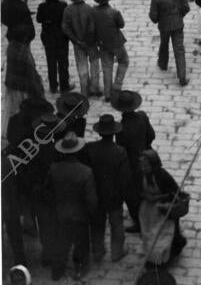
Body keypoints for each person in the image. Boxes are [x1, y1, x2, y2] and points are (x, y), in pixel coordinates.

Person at [46, 132, 97, 279]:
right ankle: (80, 269)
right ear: (77, 151)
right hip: (79, 216)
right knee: (81, 245)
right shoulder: (86, 172)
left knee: (61, 244)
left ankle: (57, 272)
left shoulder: (53, 168)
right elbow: (91, 200)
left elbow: (47, 191)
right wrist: (90, 214)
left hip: (60, 214)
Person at [86, 112, 132, 263]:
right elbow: (125, 178)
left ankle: (98, 252)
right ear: (113, 133)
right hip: (114, 196)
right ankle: (117, 252)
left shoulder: (90, 148)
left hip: (96, 194)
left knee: (97, 225)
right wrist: (122, 195)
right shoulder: (120, 152)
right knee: (116, 223)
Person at [112, 89, 156, 232]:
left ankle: (139, 222)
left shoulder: (121, 129)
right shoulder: (142, 117)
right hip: (147, 158)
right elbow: (151, 135)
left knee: (133, 195)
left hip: (132, 165)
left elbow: (121, 150)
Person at [138, 148, 187, 266]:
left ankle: (163, 260)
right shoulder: (140, 175)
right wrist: (146, 197)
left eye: (146, 166)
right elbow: (137, 190)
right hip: (147, 211)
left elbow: (175, 193)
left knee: (163, 237)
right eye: (142, 166)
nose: (143, 169)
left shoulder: (163, 176)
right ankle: (152, 257)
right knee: (149, 234)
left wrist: (158, 199)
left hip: (162, 210)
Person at [149, 0, 190, 86]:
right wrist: (179, 15)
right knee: (179, 50)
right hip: (177, 24)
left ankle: (162, 63)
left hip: (164, 25)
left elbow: (153, 16)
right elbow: (186, 8)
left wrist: (157, 20)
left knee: (164, 43)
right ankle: (182, 77)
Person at [62, 0, 102, 97]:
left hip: (78, 43)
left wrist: (76, 40)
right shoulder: (89, 9)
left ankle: (84, 90)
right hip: (91, 43)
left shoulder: (68, 10)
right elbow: (92, 27)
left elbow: (65, 27)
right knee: (94, 64)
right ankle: (95, 87)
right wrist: (89, 40)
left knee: (82, 66)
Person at [92, 0, 129, 102]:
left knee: (107, 67)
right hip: (117, 43)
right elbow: (121, 24)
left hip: (103, 44)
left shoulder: (93, 11)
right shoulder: (114, 12)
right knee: (123, 61)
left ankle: (107, 94)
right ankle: (117, 85)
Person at [37, 0, 71, 93]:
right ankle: (64, 85)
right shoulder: (63, 5)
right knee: (63, 62)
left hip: (48, 37)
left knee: (50, 61)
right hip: (61, 37)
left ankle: (53, 85)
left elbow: (38, 19)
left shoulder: (42, 6)